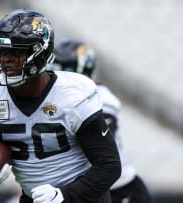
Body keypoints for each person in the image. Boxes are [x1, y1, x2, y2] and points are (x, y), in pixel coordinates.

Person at [0, 9, 121, 203]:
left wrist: (65, 196)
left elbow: (109, 165)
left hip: (83, 198)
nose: (6, 59)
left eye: (16, 52)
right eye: (2, 51)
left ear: (40, 53)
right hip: (34, 198)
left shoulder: (72, 94)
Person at [50, 40, 153, 203]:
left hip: (120, 189)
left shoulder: (100, 98)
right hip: (91, 188)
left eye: (63, 69)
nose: (56, 75)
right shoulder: (59, 98)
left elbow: (96, 149)